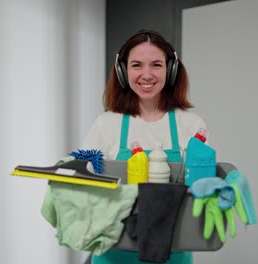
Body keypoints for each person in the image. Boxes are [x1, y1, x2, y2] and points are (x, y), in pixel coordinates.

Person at [82, 30, 207, 264]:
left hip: (173, 253)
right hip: (113, 252)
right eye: (137, 65)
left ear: (170, 70)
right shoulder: (107, 123)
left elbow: (201, 186)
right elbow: (86, 182)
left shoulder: (191, 124)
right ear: (122, 71)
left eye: (157, 65)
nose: (147, 74)